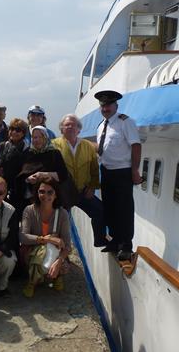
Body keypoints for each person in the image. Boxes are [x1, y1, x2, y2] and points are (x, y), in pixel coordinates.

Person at [95, 90, 142, 261]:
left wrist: (135, 170)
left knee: (124, 209)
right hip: (106, 171)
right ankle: (115, 240)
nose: (105, 108)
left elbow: (136, 146)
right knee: (109, 207)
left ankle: (126, 246)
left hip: (123, 171)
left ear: (116, 105)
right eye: (103, 105)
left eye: (108, 105)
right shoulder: (101, 125)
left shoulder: (125, 122)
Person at [52, 114, 108, 248]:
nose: (70, 127)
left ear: (79, 129)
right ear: (61, 129)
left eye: (74, 125)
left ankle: (100, 239)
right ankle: (60, 250)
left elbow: (94, 168)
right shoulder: (53, 145)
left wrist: (92, 186)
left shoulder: (87, 146)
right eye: (67, 125)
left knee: (100, 211)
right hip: (63, 193)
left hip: (83, 191)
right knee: (59, 221)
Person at [19, 178, 71, 298]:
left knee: (63, 266)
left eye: (50, 192)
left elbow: (67, 245)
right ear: (37, 193)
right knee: (38, 257)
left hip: (54, 252)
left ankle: (56, 275)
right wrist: (46, 239)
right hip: (32, 251)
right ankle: (33, 281)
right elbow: (23, 236)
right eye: (42, 191)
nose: (45, 195)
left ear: (56, 194)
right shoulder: (29, 211)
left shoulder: (62, 214)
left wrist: (59, 261)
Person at [15, 126, 69, 212]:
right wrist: (28, 179)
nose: (37, 140)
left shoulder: (54, 154)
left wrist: (44, 175)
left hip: (51, 200)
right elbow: (19, 175)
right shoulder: (27, 154)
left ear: (46, 137)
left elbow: (63, 175)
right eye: (34, 137)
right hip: (31, 201)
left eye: (41, 137)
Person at [0, 118, 29, 213]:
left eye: (18, 130)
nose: (14, 132)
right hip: (2, 190)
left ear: (23, 133)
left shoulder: (28, 150)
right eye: (12, 129)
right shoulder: (2, 146)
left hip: (20, 192)